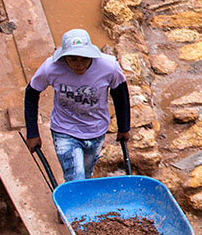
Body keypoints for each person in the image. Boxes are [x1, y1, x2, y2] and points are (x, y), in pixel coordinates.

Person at [24, 28, 130, 181]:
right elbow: (31, 93)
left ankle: (77, 201)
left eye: (84, 59)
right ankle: (78, 203)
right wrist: (32, 132)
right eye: (73, 59)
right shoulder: (51, 68)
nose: (79, 64)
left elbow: (121, 95)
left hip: (96, 129)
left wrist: (124, 127)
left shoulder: (109, 67)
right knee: (76, 178)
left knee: (86, 175)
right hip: (64, 129)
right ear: (65, 57)